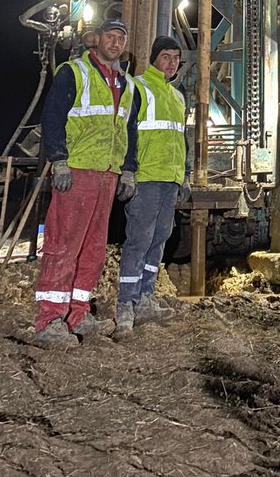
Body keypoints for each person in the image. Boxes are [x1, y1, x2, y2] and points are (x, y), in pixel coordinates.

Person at [34, 18, 138, 347]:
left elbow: (129, 131)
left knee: (93, 249)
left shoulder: (127, 84)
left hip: (107, 173)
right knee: (64, 244)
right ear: (97, 40)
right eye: (110, 36)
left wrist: (129, 169)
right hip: (77, 170)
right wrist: (59, 160)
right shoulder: (74, 72)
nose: (116, 43)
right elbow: (52, 117)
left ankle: (77, 313)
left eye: (121, 38)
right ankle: (49, 319)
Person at [115, 35, 191, 335]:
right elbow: (128, 131)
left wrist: (184, 174)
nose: (171, 63)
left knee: (159, 240)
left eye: (176, 58)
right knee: (138, 241)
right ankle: (125, 304)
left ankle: (146, 297)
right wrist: (128, 170)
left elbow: (180, 138)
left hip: (169, 179)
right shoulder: (138, 87)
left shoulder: (177, 96)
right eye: (166, 57)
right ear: (154, 58)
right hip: (146, 177)